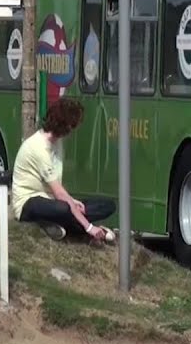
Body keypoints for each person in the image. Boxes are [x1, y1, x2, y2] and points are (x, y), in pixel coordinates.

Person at [11, 98, 116, 243]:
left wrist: (73, 202)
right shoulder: (38, 148)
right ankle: (81, 229)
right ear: (65, 125)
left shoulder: (57, 142)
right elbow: (59, 193)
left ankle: (58, 225)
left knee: (107, 205)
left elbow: (58, 192)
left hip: (51, 200)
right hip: (28, 203)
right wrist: (88, 226)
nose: (74, 130)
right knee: (64, 209)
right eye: (73, 125)